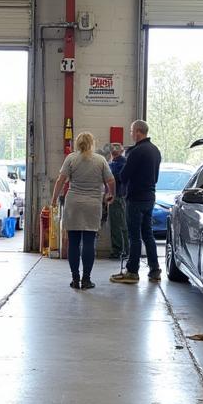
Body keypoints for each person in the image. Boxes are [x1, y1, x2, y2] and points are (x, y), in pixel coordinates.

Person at [51, 131, 115, 289]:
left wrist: (53, 199)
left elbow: (61, 179)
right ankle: (86, 279)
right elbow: (111, 180)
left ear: (77, 143)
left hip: (73, 203)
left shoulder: (71, 158)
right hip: (92, 204)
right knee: (89, 242)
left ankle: (75, 279)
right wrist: (111, 194)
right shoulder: (100, 160)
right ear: (92, 143)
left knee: (73, 242)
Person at [110, 120, 162, 285]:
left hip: (135, 199)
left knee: (134, 236)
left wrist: (114, 171)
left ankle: (132, 271)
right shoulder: (155, 150)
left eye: (132, 131)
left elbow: (124, 176)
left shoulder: (136, 151)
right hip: (150, 197)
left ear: (139, 132)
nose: (131, 134)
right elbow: (156, 177)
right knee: (148, 234)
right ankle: (154, 270)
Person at [107, 143, 129, 260]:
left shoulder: (118, 164)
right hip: (119, 197)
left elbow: (114, 179)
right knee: (120, 224)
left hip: (117, 197)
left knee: (118, 225)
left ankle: (120, 250)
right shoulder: (118, 163)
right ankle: (123, 249)